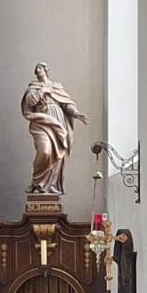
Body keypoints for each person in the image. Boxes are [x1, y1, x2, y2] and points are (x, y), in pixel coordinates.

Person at [21, 63, 89, 195]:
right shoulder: (33, 87)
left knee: (57, 154)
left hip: (58, 121)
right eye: (36, 69)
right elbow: (30, 102)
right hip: (41, 121)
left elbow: (66, 104)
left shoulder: (57, 86)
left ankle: (50, 185)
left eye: (40, 68)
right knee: (45, 151)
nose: (37, 71)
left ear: (46, 70)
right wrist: (42, 91)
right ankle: (36, 181)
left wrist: (76, 113)